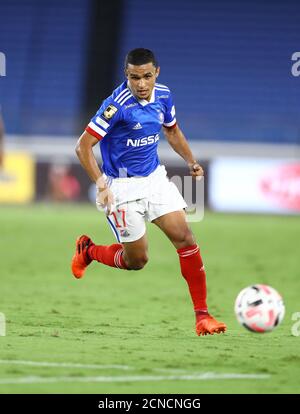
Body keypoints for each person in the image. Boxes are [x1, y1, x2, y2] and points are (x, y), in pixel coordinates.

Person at [71, 48, 226, 336]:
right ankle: (89, 251)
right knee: (137, 261)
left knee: (185, 237)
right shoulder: (115, 106)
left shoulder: (165, 95)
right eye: (133, 77)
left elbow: (172, 131)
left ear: (156, 73)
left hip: (154, 179)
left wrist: (190, 161)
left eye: (146, 76)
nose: (141, 84)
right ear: (125, 75)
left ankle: (203, 316)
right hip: (121, 187)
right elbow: (83, 147)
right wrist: (102, 184)